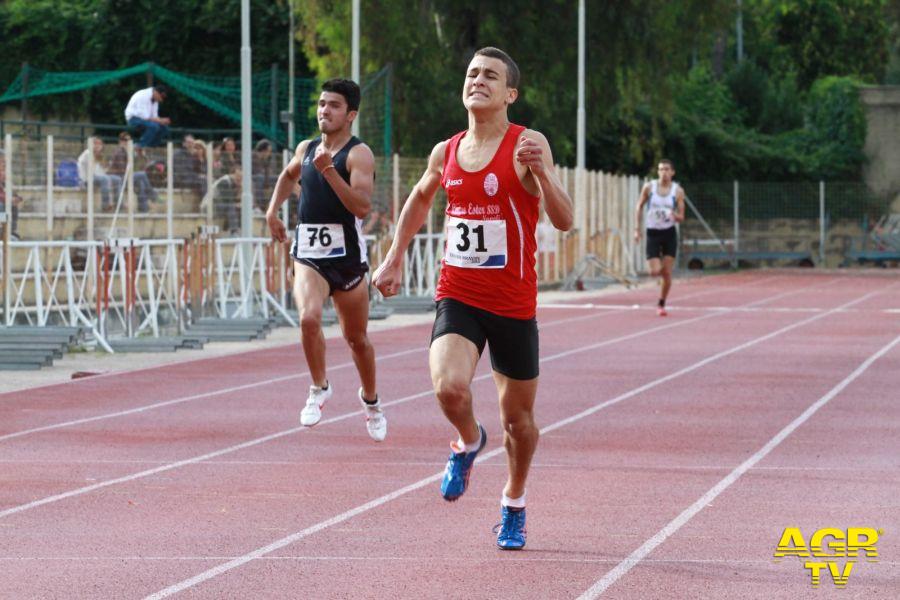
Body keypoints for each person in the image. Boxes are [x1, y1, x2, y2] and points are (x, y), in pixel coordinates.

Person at [373, 47, 573, 550]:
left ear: (510, 93)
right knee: (449, 389)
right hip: (458, 295)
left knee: (518, 423)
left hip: (512, 304)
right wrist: (394, 256)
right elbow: (420, 199)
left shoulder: (527, 143)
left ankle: (514, 501)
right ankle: (466, 440)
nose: (477, 80)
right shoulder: (447, 151)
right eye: (471, 73)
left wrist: (543, 175)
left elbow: (565, 219)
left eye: (490, 75)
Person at [265, 79, 386, 442]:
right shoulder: (306, 148)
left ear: (350, 115)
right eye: (321, 104)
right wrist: (273, 211)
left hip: (347, 258)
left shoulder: (358, 154)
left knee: (356, 338)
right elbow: (289, 176)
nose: (324, 110)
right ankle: (319, 386)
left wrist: (330, 170)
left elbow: (362, 207)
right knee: (308, 318)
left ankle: (371, 402)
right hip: (309, 254)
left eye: (333, 105)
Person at [634, 159, 685, 316]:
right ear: (658, 172)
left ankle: (661, 303)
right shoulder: (649, 187)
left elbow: (682, 216)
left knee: (667, 274)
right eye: (661, 169)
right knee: (655, 271)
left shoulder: (677, 191)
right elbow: (639, 206)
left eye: (667, 169)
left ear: (672, 172)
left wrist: (674, 215)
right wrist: (637, 229)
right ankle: (661, 273)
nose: (664, 172)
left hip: (669, 232)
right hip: (653, 232)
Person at [107, 132, 158, 212]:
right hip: (120, 179)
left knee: (141, 183)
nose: (128, 142)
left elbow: (136, 168)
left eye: (129, 140)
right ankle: (153, 196)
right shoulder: (119, 152)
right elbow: (123, 171)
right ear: (120, 141)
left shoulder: (128, 152)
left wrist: (141, 156)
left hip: (126, 178)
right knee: (142, 174)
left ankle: (143, 209)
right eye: (125, 140)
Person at [77, 138, 122, 212]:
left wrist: (106, 168)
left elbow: (101, 171)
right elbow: (91, 172)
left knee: (117, 179)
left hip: (97, 177)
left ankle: (119, 205)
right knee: (105, 179)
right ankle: (105, 205)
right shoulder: (87, 154)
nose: (98, 146)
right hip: (86, 179)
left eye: (100, 144)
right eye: (96, 144)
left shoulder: (99, 155)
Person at [210, 167, 242, 234]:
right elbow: (227, 200)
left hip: (219, 205)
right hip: (211, 206)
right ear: (232, 175)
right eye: (238, 177)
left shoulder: (231, 184)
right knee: (231, 207)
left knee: (237, 207)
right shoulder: (224, 182)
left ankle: (235, 229)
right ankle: (234, 231)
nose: (239, 180)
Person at [0, 157, 23, 240]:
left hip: (5, 203)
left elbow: (14, 194)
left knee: (13, 206)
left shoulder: (5, 183)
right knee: (1, 205)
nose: (4, 173)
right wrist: (8, 199)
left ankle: (9, 231)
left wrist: (17, 198)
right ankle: (2, 230)